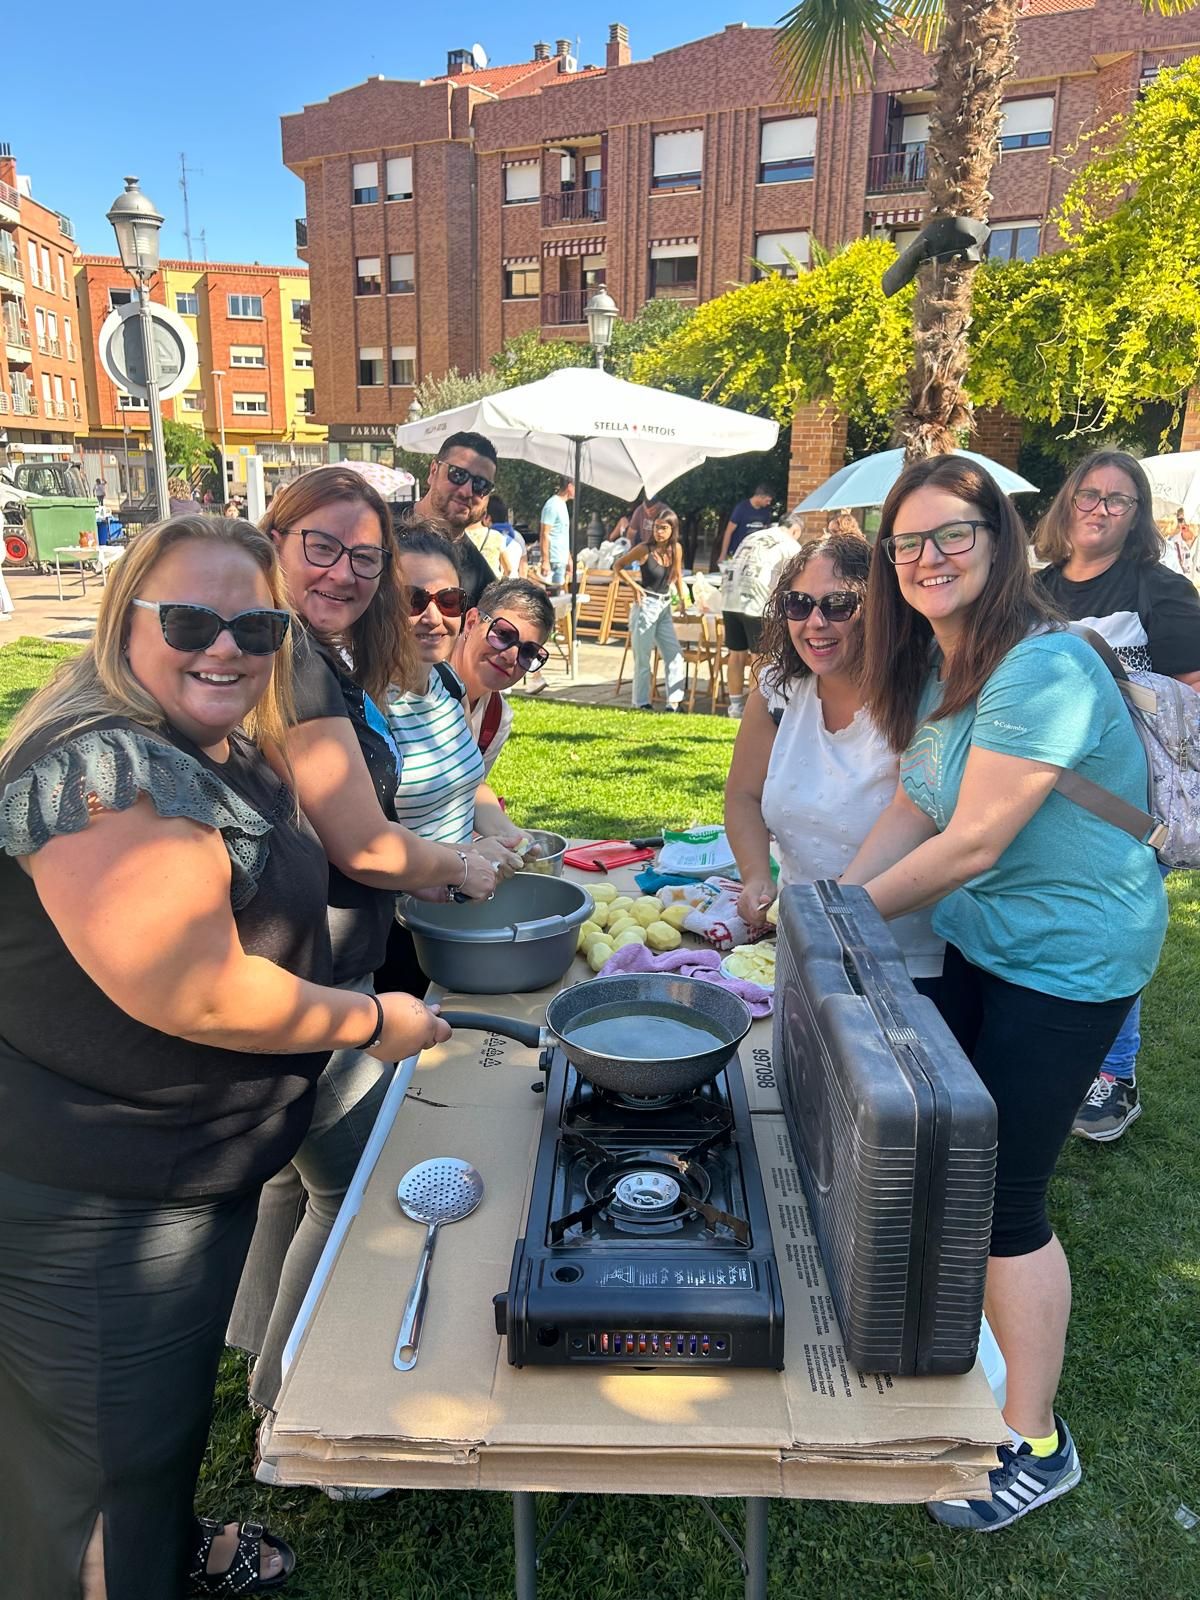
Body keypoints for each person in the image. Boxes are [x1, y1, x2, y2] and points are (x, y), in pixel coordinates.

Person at [0, 513, 452, 1599]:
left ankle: (160, 1542)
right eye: (191, 620)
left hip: (176, 1168)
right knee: (98, 1468)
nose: (226, 646)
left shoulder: (210, 742)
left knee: (132, 1435)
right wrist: (374, 1021)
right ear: (128, 620)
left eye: (255, 626)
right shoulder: (110, 770)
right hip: (99, 1193)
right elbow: (196, 987)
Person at [842, 454, 1167, 1531]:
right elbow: (917, 804)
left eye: (953, 535)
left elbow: (975, 840)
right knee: (952, 1162)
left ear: (1000, 541)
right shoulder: (940, 663)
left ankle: (1034, 1440)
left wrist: (839, 922)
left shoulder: (1041, 667)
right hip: (984, 942)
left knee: (1003, 1198)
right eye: (907, 542)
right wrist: (825, 903)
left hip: (1071, 959)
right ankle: (956, 1355)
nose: (927, 558)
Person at [227, 469, 512, 1425]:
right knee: (348, 1186)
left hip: (297, 960)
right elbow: (361, 842)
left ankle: (249, 1351)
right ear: (275, 537)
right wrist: (456, 865)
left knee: (293, 1173)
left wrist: (418, 869)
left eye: (364, 556)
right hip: (308, 973)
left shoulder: (303, 650)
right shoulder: (296, 661)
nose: (345, 573)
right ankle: (291, 1407)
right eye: (323, 547)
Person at [1034, 449, 1200, 1141]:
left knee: (1111, 932)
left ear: (1136, 516)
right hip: (1043, 790)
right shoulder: (1033, 590)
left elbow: (1191, 703)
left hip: (1129, 800)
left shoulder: (1159, 589)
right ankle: (1059, 1059)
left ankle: (1115, 1076)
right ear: (1067, 502)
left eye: (1118, 500)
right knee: (1052, 926)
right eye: (1089, 494)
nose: (1099, 509)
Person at [724, 529, 942, 985]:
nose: (815, 622)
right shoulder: (777, 691)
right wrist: (756, 875)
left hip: (905, 962)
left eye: (838, 605)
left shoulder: (927, 698)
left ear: (878, 609)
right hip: (804, 948)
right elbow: (743, 795)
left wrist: (836, 911)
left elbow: (926, 825)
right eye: (798, 604)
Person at [451, 577, 555, 771]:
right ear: (471, 622)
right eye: (503, 634)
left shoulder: (497, 720)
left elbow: (472, 786)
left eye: (528, 652)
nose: (511, 656)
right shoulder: (413, 682)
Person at [721, 511, 804, 719]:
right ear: (795, 530)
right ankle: (755, 709)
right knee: (760, 658)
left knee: (736, 654)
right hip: (758, 603)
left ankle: (735, 707)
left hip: (729, 598)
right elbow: (796, 579)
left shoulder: (753, 536)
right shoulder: (791, 544)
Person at [405, 431, 500, 607]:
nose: (466, 491)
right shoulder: (378, 524)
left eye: (481, 485)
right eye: (458, 474)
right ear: (433, 471)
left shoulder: (482, 583)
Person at [614, 508, 688, 712]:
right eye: (656, 528)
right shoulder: (644, 549)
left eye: (663, 528)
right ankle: (641, 703)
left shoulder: (676, 549)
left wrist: (683, 601)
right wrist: (634, 586)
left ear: (672, 530)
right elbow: (618, 566)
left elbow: (678, 574)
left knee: (674, 653)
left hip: (664, 605)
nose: (659, 532)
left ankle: (674, 703)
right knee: (643, 657)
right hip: (646, 605)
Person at [715, 483, 775, 564]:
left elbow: (765, 532)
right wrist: (723, 554)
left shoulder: (766, 511)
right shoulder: (741, 508)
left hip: (755, 555)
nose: (769, 503)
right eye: (767, 500)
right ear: (760, 497)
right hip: (737, 553)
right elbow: (729, 531)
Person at [539, 475, 574, 588]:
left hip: (560, 560)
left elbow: (562, 535)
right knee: (555, 595)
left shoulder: (562, 505)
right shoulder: (552, 505)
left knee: (560, 594)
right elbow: (545, 533)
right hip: (553, 560)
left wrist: (568, 558)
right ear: (570, 487)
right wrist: (545, 560)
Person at [487, 493, 526, 577]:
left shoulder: (485, 537)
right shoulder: (517, 536)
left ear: (487, 518)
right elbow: (523, 568)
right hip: (514, 583)